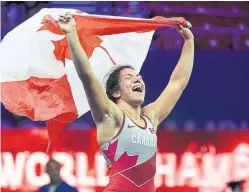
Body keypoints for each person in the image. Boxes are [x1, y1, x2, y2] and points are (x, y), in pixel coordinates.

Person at [58, 12, 194, 192]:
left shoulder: (150, 117)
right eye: (129, 78)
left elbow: (177, 83)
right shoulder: (111, 116)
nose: (138, 80)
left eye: (139, 77)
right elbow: (88, 78)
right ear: (115, 92)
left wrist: (189, 42)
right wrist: (71, 34)